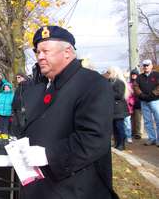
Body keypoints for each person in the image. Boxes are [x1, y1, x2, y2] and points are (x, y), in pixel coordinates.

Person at [20, 26, 117, 198]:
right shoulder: (44, 85)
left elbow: (94, 138)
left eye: (45, 51)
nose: (40, 56)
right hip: (43, 184)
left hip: (75, 187)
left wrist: (48, 155)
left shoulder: (92, 83)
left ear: (67, 51)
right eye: (37, 52)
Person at [133, 59, 159, 146]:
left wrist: (153, 94)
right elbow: (135, 86)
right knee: (147, 121)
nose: (146, 67)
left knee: (158, 120)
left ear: (151, 66)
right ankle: (152, 138)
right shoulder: (139, 77)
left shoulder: (156, 75)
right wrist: (141, 95)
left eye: (147, 65)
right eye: (144, 65)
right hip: (144, 102)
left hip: (155, 101)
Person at [106, 67, 130, 150]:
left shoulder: (119, 82)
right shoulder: (109, 81)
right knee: (114, 127)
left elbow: (119, 95)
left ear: (114, 72)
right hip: (112, 108)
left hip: (119, 109)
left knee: (119, 127)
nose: (108, 74)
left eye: (109, 72)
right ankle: (117, 142)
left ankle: (122, 144)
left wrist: (108, 93)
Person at [11, 73, 30, 137]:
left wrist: (24, 107)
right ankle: (19, 138)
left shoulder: (27, 85)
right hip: (16, 108)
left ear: (24, 77)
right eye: (16, 78)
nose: (17, 79)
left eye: (19, 77)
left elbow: (27, 97)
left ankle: (24, 138)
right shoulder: (19, 86)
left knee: (22, 125)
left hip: (22, 109)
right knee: (16, 125)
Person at [129, 69, 142, 139]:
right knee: (132, 119)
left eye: (135, 74)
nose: (133, 75)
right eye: (132, 74)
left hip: (138, 102)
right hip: (130, 104)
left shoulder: (140, 82)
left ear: (137, 75)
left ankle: (138, 133)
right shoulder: (129, 83)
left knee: (138, 119)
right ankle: (133, 132)